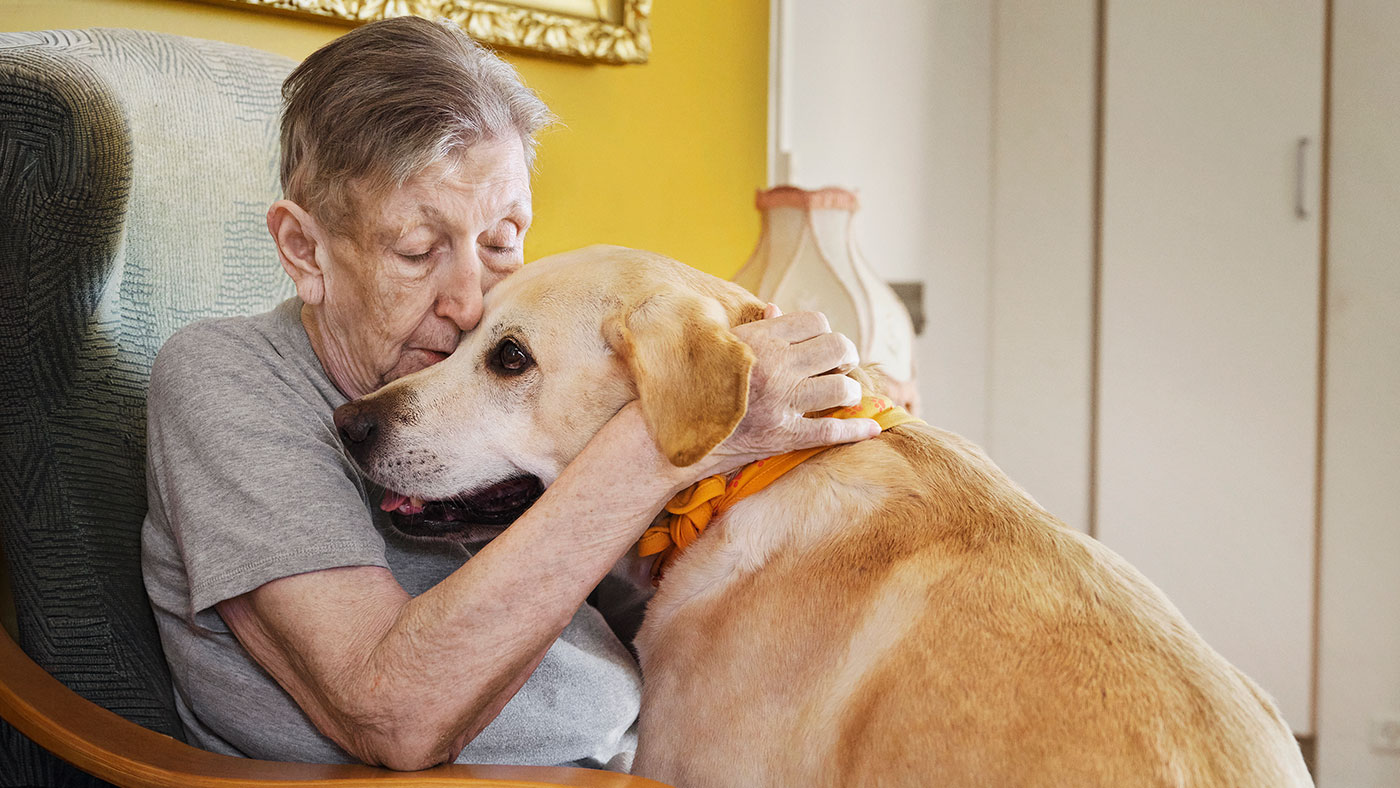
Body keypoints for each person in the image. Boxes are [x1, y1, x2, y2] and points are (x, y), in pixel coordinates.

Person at [140, 15, 879, 773]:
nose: (471, 300)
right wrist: (665, 445)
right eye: (418, 250)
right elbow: (392, 713)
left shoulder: (505, 391)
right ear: (306, 250)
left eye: (501, 241)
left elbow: (656, 605)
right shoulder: (225, 377)